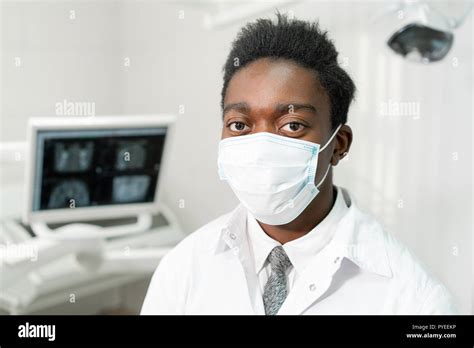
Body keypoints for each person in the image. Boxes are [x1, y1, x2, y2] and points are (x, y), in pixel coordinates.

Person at [141, 14, 457, 315]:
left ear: (339, 144)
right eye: (239, 125)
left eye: (291, 125)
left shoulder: (416, 299)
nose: (261, 147)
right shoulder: (182, 269)